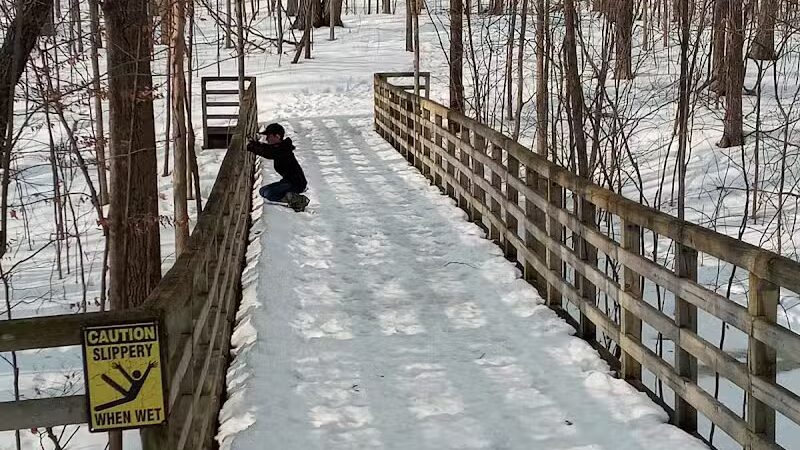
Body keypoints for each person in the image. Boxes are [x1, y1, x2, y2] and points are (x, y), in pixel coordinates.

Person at [247, 123, 310, 212]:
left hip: (296, 183)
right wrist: (254, 144)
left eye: (269, 136)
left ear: (277, 136)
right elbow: (268, 149)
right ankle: (289, 195)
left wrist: (252, 146)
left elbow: (269, 153)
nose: (267, 139)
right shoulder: (280, 147)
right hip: (288, 181)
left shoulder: (283, 149)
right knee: (263, 191)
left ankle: (298, 200)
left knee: (269, 193)